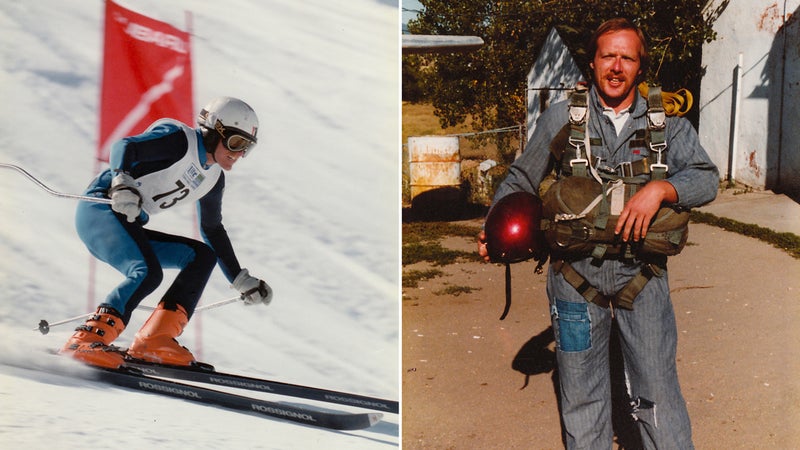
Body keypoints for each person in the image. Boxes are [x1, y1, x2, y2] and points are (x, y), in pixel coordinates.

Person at [478, 18, 719, 449]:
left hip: (642, 279)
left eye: (627, 57)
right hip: (574, 281)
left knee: (657, 393)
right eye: (608, 55)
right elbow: (520, 179)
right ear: (592, 63)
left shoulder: (668, 123)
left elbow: (706, 179)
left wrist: (662, 188)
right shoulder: (562, 118)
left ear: (639, 68)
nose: (616, 66)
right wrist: (494, 226)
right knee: (582, 397)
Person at [60, 97, 273, 369]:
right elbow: (124, 146)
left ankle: (154, 340)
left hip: (127, 222)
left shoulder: (213, 179)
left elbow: (212, 229)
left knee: (201, 256)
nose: (239, 154)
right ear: (214, 131)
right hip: (100, 211)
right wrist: (121, 182)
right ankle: (85, 339)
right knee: (147, 272)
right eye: (236, 144)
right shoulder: (180, 141)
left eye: (246, 149)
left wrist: (239, 279)